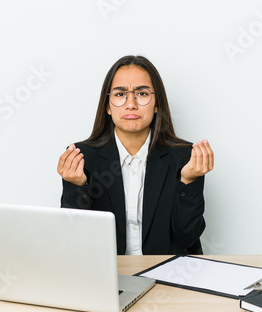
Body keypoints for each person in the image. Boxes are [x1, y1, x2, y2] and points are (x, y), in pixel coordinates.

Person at [57, 55, 214, 255]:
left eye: (141, 93)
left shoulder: (184, 158)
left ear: (157, 104)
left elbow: (187, 237)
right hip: (107, 275)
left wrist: (188, 180)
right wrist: (76, 187)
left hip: (167, 275)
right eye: (120, 94)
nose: (131, 104)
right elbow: (74, 241)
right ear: (107, 106)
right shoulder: (82, 157)